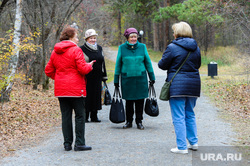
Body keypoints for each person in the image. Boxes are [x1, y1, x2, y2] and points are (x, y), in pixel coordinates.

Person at [45, 26, 95, 151]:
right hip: (76, 89)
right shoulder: (76, 50)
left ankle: (67, 144)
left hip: (61, 90)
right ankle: (79, 144)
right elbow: (82, 69)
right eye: (77, 37)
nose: (78, 39)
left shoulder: (55, 51)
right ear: (71, 37)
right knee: (80, 115)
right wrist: (89, 66)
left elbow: (48, 71)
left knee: (66, 116)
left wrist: (60, 79)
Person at [158, 22, 201, 154]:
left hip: (177, 85)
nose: (173, 33)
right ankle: (194, 143)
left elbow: (162, 65)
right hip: (193, 85)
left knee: (178, 116)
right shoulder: (196, 47)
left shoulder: (172, 47)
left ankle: (182, 147)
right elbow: (198, 64)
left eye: (174, 31)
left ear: (177, 33)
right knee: (190, 114)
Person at [114, 28, 155, 130]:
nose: (133, 39)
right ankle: (129, 121)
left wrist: (152, 77)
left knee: (140, 101)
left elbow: (148, 62)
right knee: (129, 101)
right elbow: (118, 64)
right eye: (131, 37)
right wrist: (116, 79)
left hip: (140, 78)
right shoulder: (122, 48)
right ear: (127, 38)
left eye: (135, 37)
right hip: (127, 79)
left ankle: (139, 121)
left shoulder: (142, 47)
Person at [80, 29, 108, 122]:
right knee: (87, 96)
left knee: (96, 95)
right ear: (87, 39)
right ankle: (86, 116)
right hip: (87, 76)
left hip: (97, 76)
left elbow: (102, 62)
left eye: (94, 38)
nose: (93, 40)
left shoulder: (99, 48)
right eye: (91, 38)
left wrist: (104, 76)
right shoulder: (81, 49)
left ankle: (94, 116)